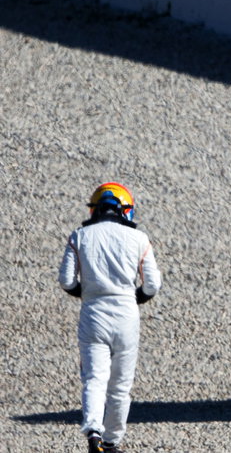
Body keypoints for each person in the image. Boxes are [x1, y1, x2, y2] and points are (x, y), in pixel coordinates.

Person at [58, 182, 162, 453]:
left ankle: (93, 431)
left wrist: (86, 292)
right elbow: (152, 285)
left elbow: (66, 281)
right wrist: (135, 297)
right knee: (120, 385)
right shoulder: (139, 238)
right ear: (126, 209)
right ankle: (112, 441)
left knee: (94, 378)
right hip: (126, 314)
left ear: (94, 208)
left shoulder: (79, 236)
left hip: (93, 313)